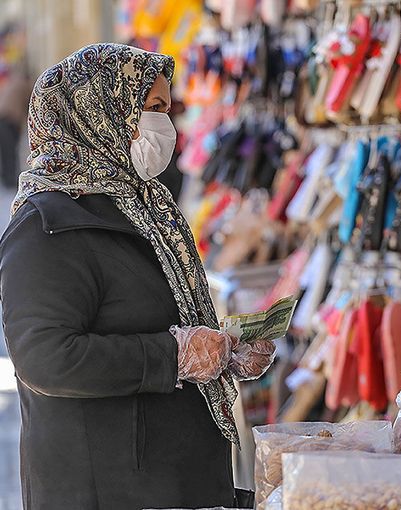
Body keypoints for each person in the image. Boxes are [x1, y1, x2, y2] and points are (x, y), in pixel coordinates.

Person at [0, 43, 275, 510]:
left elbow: (159, 312)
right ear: (99, 112)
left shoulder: (143, 204)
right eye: (150, 109)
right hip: (105, 488)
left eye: (167, 110)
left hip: (172, 479)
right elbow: (44, 357)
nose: (164, 125)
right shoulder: (46, 224)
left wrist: (221, 350)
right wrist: (174, 355)